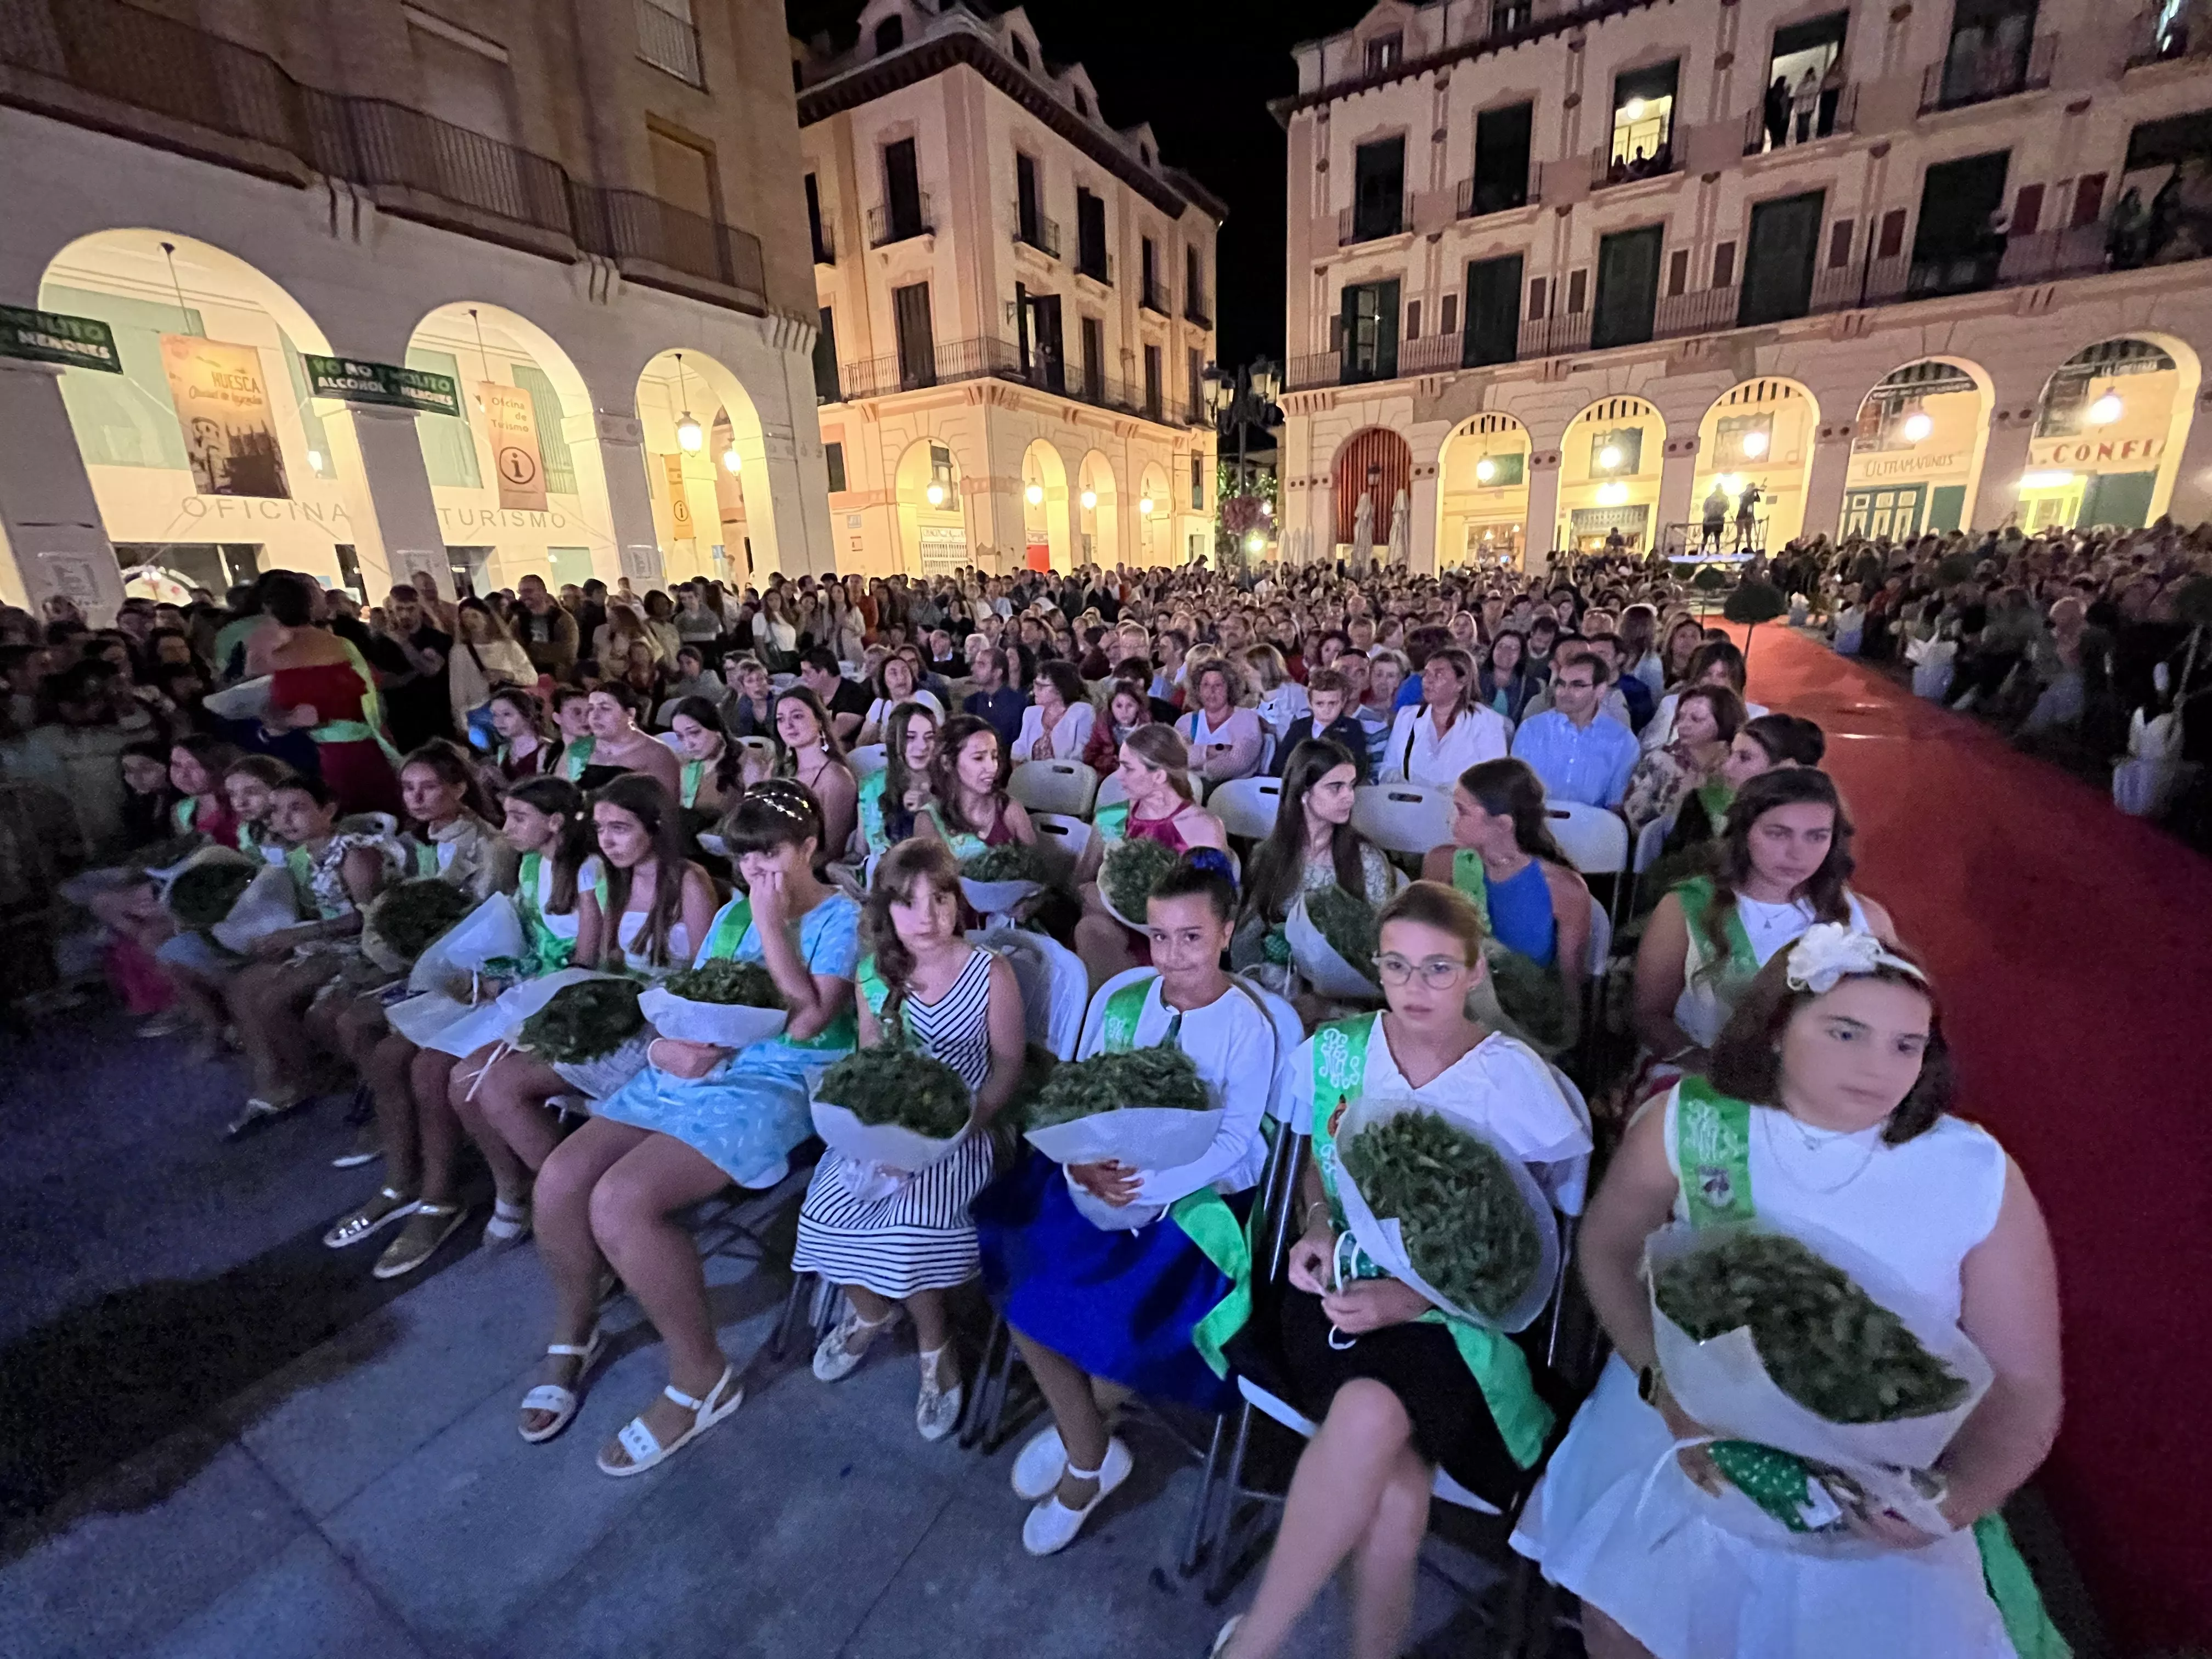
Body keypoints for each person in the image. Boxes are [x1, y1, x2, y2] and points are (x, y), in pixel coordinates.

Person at [1514, 929, 2064, 1659]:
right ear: (1776, 1030)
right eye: (1846, 1032)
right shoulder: (1696, 1119)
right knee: (1638, 1596)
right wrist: (1656, 1374)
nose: (1880, 1067)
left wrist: (1956, 1498)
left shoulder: (1976, 1174)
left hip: (1871, 1463)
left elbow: (2025, 1386)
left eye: (1908, 1045)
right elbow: (1611, 1248)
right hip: (1680, 1411)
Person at [1217, 881, 1592, 1659]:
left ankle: (1255, 1643)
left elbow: (1524, 1244)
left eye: (1438, 970)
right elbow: (1321, 1165)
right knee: (1391, 1468)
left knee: (1377, 1437)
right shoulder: (1338, 1052)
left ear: (1474, 973)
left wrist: (1415, 1297)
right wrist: (1317, 1228)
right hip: (1339, 1300)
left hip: (1461, 1322)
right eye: (1397, 967)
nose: (1415, 988)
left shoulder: (1514, 1083)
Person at [521, 782, 862, 1473]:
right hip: (703, 1067)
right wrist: (662, 1047)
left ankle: (702, 1375)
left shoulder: (839, 920)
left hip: (785, 1081)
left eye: (773, 857)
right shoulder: (735, 915)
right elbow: (696, 1000)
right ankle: (575, 1325)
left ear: (809, 849)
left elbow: (806, 1021)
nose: (757, 874)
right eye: (746, 860)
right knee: (561, 1177)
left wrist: (771, 922)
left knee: (622, 1200)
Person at [975, 857, 1279, 1554]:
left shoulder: (1247, 1026)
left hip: (1194, 1198)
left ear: (1227, 934)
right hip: (1113, 1176)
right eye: (1162, 938)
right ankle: (1088, 1440)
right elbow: (1105, 1092)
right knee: (1026, 1278)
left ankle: (1081, 1452)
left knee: (1115, 1311)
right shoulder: (1141, 998)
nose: (1174, 957)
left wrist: (1152, 1189)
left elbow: (1234, 1142)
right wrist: (1082, 1158)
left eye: (1192, 939)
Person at [793, 839, 1027, 1439]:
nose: (927, 917)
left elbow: (1006, 1069)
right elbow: (872, 1059)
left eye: (941, 899)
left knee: (908, 1224)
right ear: (886, 911)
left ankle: (934, 1341)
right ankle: (871, 1312)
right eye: (909, 903)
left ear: (958, 903)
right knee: (822, 1209)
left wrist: (960, 1127)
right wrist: (877, 1133)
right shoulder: (877, 974)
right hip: (891, 1121)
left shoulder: (990, 973)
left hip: (969, 1123)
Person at [1632, 768, 1897, 1076]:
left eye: (1817, 837)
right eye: (1778, 833)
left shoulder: (1866, 918)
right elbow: (1649, 1015)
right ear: (1745, 832)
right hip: (1707, 1079)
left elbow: (1895, 1012)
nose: (1797, 853)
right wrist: (1711, 1069)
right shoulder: (1685, 907)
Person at [225, 774, 405, 1130]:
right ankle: (285, 1077)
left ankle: (334, 1080)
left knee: (276, 999)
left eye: (298, 809)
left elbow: (368, 919)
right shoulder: (306, 854)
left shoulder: (354, 853)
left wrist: (300, 933)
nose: (285, 820)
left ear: (329, 809)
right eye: (277, 812)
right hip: (329, 941)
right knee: (244, 984)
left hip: (365, 947)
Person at [1420, 755, 1594, 1031]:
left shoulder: (1563, 889)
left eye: (1462, 811)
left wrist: (1553, 1048)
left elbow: (1568, 988)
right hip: (1452, 1016)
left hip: (1521, 1025)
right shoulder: (1442, 864)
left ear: (1502, 824)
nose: (1450, 819)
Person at [1232, 738, 1401, 1005]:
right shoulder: (1266, 855)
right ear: (1303, 793)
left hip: (1343, 997)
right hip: (1274, 990)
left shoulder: (1366, 861)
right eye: (1336, 787)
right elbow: (1247, 937)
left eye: (1351, 786)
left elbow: (1377, 950)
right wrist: (1269, 959)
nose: (1349, 797)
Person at [1073, 724, 1228, 984]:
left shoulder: (1202, 828)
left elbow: (1216, 907)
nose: (1119, 776)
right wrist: (1087, 893)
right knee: (1090, 929)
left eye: (1128, 768)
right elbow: (1079, 881)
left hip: (1175, 942)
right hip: (1109, 932)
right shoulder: (1112, 818)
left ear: (1159, 776)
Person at [254, 572, 403, 816]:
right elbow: (372, 699)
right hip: (361, 750)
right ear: (309, 605)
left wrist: (287, 719)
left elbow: (267, 709)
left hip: (311, 753)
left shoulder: (273, 655)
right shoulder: (341, 646)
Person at [1513, 647, 1641, 808]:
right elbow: (1516, 795)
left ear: (1600, 690)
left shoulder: (1623, 742)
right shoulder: (1532, 730)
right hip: (1536, 826)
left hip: (1592, 828)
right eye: (1561, 684)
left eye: (1577, 686)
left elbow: (1615, 807)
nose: (1564, 693)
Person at [1621, 684, 1745, 834]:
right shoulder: (1660, 760)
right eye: (1680, 717)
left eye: (1696, 719)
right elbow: (1632, 820)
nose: (1683, 725)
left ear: (1725, 723)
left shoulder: (1737, 766)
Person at [1383, 646, 1510, 787]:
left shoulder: (1487, 722)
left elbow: (1493, 781)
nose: (1428, 681)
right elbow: (1388, 769)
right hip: (1409, 806)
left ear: (1461, 683)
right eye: (1426, 674)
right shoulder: (1407, 717)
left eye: (1438, 675)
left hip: (1459, 807)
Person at [918, 715, 1037, 857]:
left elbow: (1035, 872)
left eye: (994, 757)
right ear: (947, 762)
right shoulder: (929, 820)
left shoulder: (1010, 810)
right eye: (979, 758)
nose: (992, 767)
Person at [772, 686, 859, 860]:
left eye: (797, 716)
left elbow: (832, 853)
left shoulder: (835, 777)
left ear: (819, 721)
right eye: (780, 719)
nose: (788, 725)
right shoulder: (779, 769)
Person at [1642, 640, 1768, 752]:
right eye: (1708, 674)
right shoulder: (1671, 705)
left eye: (1722, 675)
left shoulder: (1757, 716)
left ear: (1737, 681)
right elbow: (1649, 750)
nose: (1714, 681)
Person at [447, 598, 535, 743]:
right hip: (479, 713)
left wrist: (506, 675)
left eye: (475, 616)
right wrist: (462, 724)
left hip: (511, 710)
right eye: (465, 617)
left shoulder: (508, 646)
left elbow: (531, 677)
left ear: (487, 617)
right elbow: (458, 690)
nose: (470, 622)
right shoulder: (460, 652)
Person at [857, 702, 939, 857]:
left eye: (929, 737)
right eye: (910, 738)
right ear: (894, 741)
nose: (922, 746)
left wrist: (933, 805)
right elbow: (861, 849)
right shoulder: (871, 786)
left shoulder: (951, 783)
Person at [577, 684, 681, 797]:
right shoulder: (580, 749)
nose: (595, 716)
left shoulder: (658, 754)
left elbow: (665, 807)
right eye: (591, 708)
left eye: (605, 708)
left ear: (630, 714)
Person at [1271, 668, 1371, 783]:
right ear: (1310, 702)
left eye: (1333, 703)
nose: (1326, 709)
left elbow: (1359, 767)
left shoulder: (1353, 728)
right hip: (1298, 789)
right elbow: (1278, 765)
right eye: (1320, 703)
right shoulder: (1299, 727)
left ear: (1343, 702)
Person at [1177, 657, 1267, 783]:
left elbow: (1239, 761)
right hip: (1191, 789)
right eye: (1206, 685)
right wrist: (1209, 750)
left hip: (1236, 793)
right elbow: (1177, 757)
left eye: (1218, 685)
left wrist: (1200, 768)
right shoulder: (1186, 721)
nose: (1211, 691)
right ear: (1198, 690)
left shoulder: (1247, 718)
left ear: (1229, 688)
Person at [668, 696, 744, 819]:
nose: (688, 745)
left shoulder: (746, 761)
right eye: (681, 737)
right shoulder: (683, 763)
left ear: (717, 729)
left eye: (694, 733)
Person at [859, 653, 944, 746]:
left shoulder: (924, 698)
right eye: (893, 673)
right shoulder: (880, 704)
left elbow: (938, 738)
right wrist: (873, 729)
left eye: (905, 671)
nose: (901, 678)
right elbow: (861, 744)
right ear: (884, 680)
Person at [484, 687, 558, 788]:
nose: (498, 722)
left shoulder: (547, 751)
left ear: (527, 715)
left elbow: (546, 795)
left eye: (507, 714)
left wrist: (505, 785)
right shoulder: (504, 751)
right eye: (495, 715)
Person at [798, 648, 872, 746]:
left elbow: (836, 732)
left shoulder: (853, 694)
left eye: (807, 672)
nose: (803, 677)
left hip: (848, 753)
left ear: (823, 672)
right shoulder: (813, 694)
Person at [512, 574, 579, 680]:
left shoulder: (563, 619)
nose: (524, 596)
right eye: (521, 592)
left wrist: (530, 649)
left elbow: (567, 651)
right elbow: (513, 649)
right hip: (528, 676)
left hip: (559, 677)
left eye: (529, 591)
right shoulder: (518, 620)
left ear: (543, 592)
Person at [1084, 679, 1153, 777]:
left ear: (1138, 707)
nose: (1124, 711)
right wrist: (1110, 762)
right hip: (1108, 775)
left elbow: (1153, 759)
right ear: (1111, 706)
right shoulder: (1102, 725)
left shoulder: (1147, 728)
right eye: (1119, 706)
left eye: (1130, 705)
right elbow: (1089, 756)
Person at [725, 656, 777, 741]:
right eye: (750, 681)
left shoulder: (779, 702)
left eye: (760, 679)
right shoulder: (741, 706)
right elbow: (741, 739)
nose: (757, 684)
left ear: (767, 681)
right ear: (743, 686)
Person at [1701, 482, 1730, 555]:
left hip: (1713, 519)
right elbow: (1726, 507)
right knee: (1710, 536)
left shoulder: (1714, 498)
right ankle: (1706, 550)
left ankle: (1705, 550)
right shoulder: (1721, 498)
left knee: (1713, 536)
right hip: (1714, 518)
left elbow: (1705, 508)